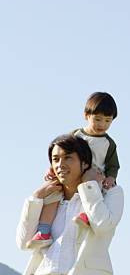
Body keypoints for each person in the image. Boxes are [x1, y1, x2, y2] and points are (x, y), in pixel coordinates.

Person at [12, 134, 124, 275]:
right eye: (55, 159)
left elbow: (103, 225)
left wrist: (90, 186)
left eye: (68, 158)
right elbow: (23, 242)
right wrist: (35, 198)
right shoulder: (48, 201)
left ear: (85, 163)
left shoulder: (108, 194)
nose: (60, 164)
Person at [27, 92, 120, 249]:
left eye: (107, 121)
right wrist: (52, 168)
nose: (102, 125)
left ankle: (86, 216)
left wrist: (111, 177)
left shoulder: (109, 143)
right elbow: (60, 152)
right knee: (53, 194)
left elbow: (113, 165)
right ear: (86, 115)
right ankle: (43, 231)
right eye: (97, 119)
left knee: (90, 191)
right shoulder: (75, 135)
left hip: (93, 177)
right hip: (70, 175)